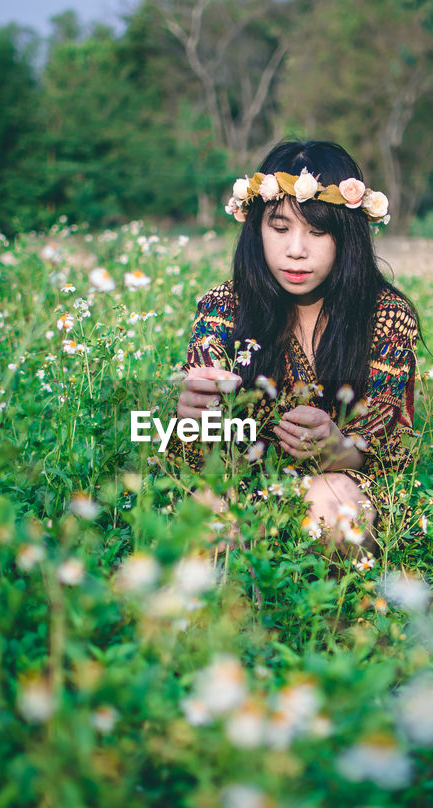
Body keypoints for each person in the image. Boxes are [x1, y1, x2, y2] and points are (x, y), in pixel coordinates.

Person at [174, 140, 420, 550]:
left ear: (347, 237)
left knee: (331, 501)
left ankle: (338, 610)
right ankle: (233, 612)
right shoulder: (224, 308)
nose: (295, 251)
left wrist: (334, 446)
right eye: (280, 227)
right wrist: (191, 419)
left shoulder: (385, 315)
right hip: (244, 483)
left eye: (318, 231)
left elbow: (382, 445)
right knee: (210, 511)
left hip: (343, 485)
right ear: (257, 228)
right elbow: (201, 457)